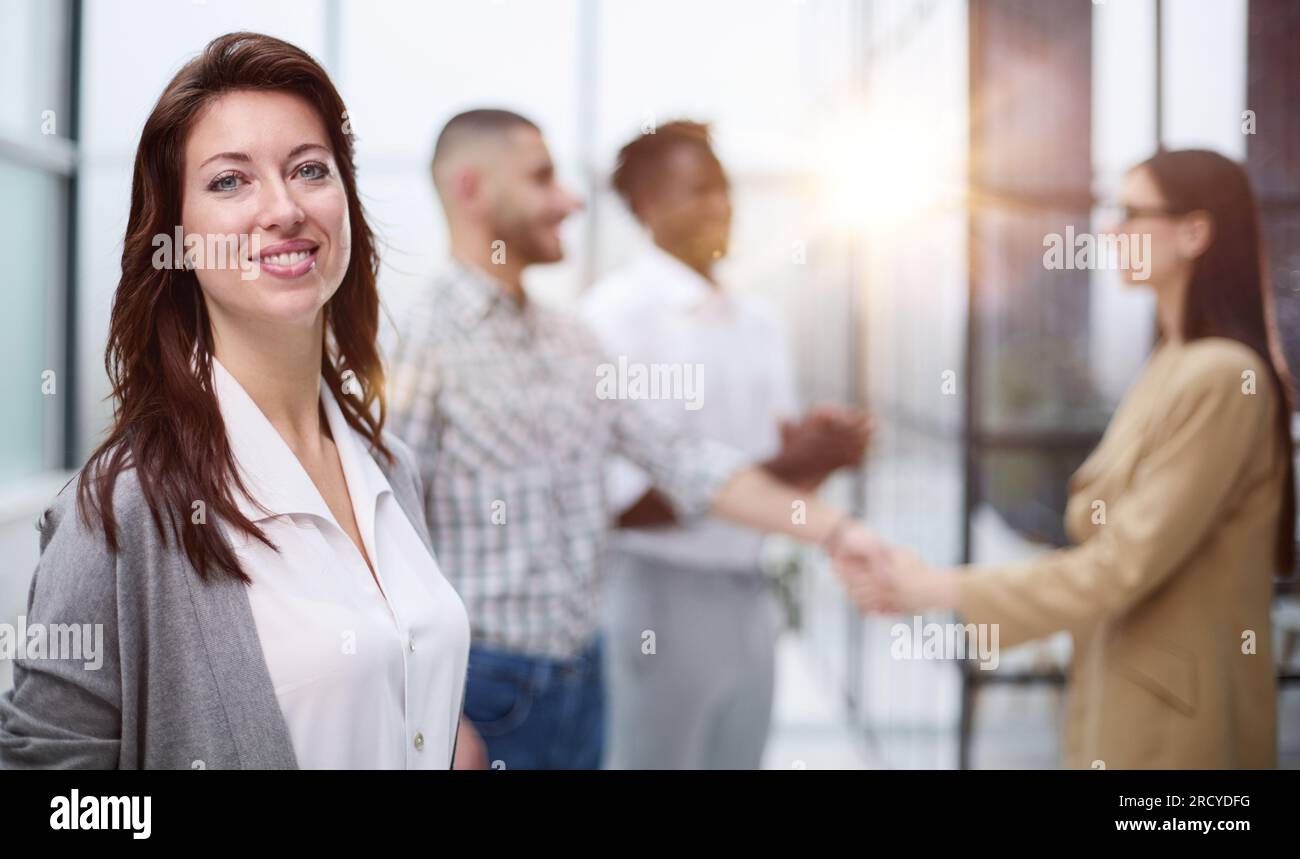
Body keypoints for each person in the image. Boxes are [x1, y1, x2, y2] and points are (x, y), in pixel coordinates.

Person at [0, 32, 470, 769]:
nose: (283, 209)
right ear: (178, 240)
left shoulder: (389, 466)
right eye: (229, 182)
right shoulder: (124, 507)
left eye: (309, 170)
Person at [387, 109, 885, 770]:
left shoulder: (570, 339)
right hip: (485, 689)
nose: (569, 200)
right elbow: (385, 535)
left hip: (580, 680)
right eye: (542, 179)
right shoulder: (418, 339)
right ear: (472, 191)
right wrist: (430, 708)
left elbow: (686, 463)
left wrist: (838, 529)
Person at [845, 149, 1296, 769]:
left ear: (1195, 232)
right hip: (1131, 689)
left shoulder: (1222, 377)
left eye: (1133, 213)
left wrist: (939, 588)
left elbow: (1121, 565)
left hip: (1178, 723)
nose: (1112, 233)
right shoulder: (1174, 363)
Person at [580, 120, 870, 769]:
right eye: (699, 190)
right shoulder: (613, 317)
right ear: (650, 206)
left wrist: (821, 455)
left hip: (749, 592)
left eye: (725, 188)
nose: (722, 205)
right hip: (657, 593)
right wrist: (784, 464)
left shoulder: (758, 319)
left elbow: (778, 486)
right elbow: (617, 503)